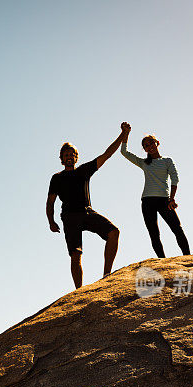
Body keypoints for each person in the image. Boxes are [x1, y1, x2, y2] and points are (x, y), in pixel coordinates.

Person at [46, 123, 128, 288]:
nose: (69, 156)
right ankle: (79, 291)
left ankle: (106, 275)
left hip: (87, 212)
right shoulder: (57, 178)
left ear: (76, 157)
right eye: (66, 154)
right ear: (62, 159)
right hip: (70, 216)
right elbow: (50, 202)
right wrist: (51, 221)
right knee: (76, 254)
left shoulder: (83, 170)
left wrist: (123, 134)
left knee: (114, 232)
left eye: (72, 154)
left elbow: (107, 154)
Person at [120, 124, 191, 258]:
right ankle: (162, 261)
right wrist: (126, 133)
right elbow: (124, 152)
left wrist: (171, 198)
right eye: (146, 145)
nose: (150, 146)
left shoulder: (167, 161)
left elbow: (175, 179)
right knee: (154, 233)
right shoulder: (144, 163)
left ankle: (188, 257)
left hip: (164, 200)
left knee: (177, 228)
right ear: (144, 149)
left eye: (151, 143)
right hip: (147, 201)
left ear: (157, 143)